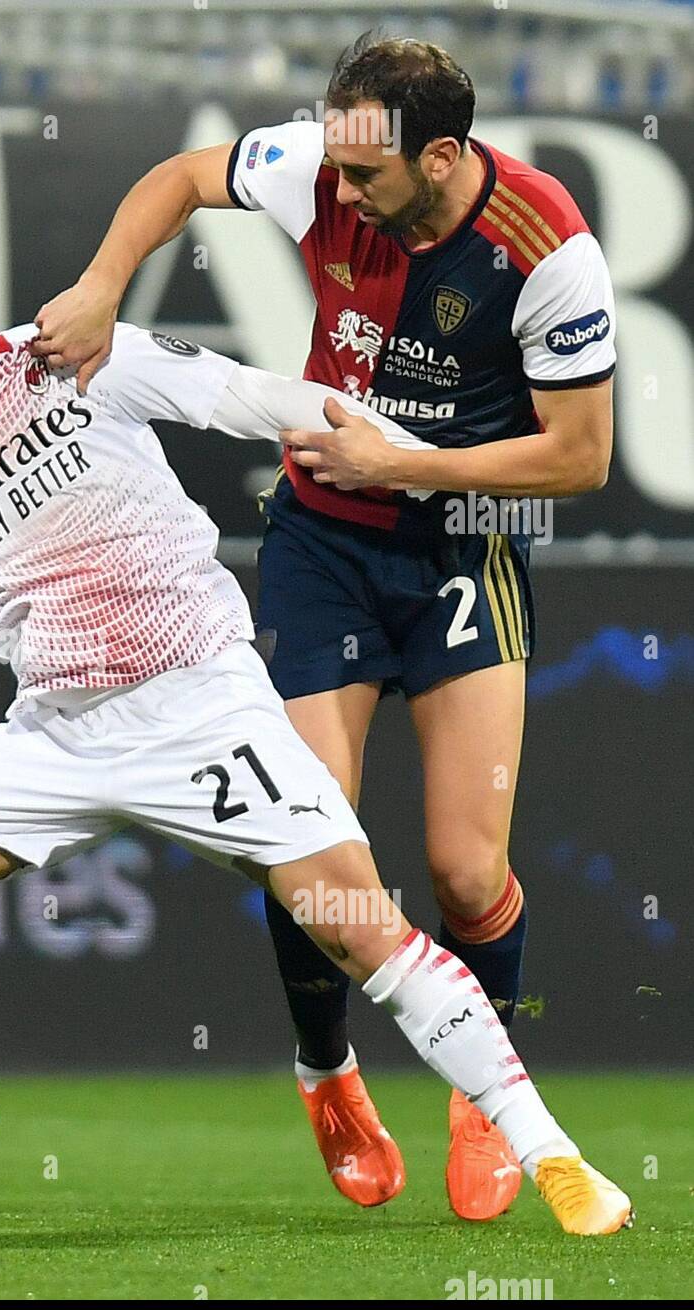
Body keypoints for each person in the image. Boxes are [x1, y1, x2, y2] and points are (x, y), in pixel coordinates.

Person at [0, 233, 630, 1237]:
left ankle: (549, 1154)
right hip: (57, 732)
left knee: (355, 921)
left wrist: (411, 461)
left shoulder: (70, 357)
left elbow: (257, 400)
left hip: (203, 702)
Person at [31, 33, 615, 1223]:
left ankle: (479, 1091)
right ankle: (328, 1071)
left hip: (458, 549)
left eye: (364, 180)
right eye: (331, 171)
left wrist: (408, 464)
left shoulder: (545, 248)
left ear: (442, 156)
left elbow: (581, 455)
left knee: (463, 866)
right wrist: (101, 289)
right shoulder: (326, 158)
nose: (333, 195)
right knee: (308, 843)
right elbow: (181, 178)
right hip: (319, 551)